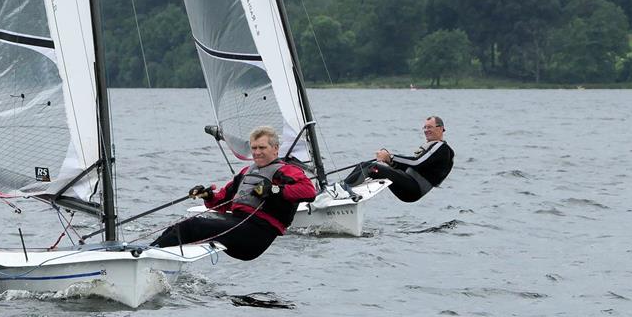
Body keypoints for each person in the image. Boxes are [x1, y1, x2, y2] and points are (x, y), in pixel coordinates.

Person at [151, 126, 317, 260]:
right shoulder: (247, 171)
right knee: (179, 226)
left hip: (258, 234)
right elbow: (221, 201)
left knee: (191, 227)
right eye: (254, 148)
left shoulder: (287, 170)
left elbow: (309, 191)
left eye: (262, 147)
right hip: (238, 224)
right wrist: (208, 196)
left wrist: (273, 190)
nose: (257, 152)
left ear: (275, 149)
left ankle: (149, 257)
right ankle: (147, 253)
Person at [341, 115, 454, 203]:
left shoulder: (441, 147)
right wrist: (390, 162)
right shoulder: (433, 146)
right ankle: (342, 189)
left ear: (441, 129)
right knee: (365, 166)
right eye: (425, 127)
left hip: (414, 188)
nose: (426, 130)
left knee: (373, 168)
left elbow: (416, 162)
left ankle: (341, 192)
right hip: (408, 186)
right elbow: (411, 166)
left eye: (430, 127)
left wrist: (390, 157)